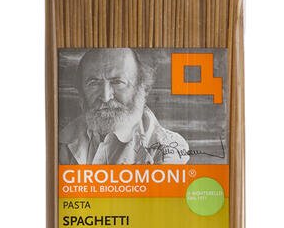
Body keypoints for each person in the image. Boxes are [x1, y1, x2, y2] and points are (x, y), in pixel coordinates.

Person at [59, 49, 189, 165]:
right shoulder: (61, 140)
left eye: (118, 82)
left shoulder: (168, 148)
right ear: (81, 90)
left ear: (142, 88)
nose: (105, 97)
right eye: (93, 83)